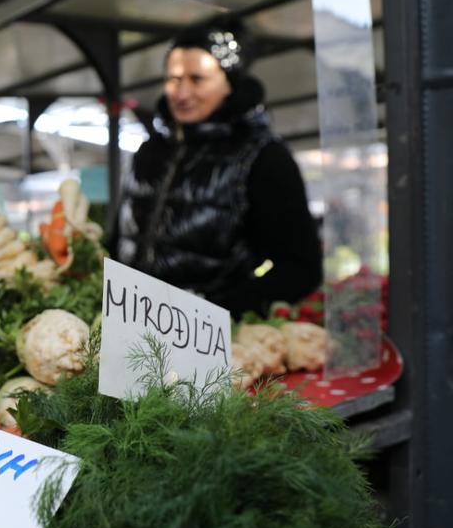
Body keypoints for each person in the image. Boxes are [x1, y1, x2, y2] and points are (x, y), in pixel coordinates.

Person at [113, 25, 322, 317]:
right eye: (173, 79)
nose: (182, 92)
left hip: (208, 341)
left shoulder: (262, 157)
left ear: (230, 83)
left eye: (197, 79)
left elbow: (301, 268)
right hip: (130, 323)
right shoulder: (148, 151)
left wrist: (222, 309)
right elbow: (120, 238)